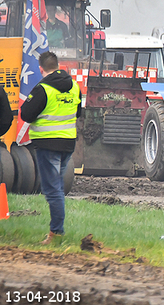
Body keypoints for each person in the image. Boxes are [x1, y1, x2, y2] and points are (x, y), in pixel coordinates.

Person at [20, 51, 82, 245]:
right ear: (58, 65)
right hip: (68, 143)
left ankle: (56, 233)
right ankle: (57, 230)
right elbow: (78, 112)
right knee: (58, 188)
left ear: (41, 69)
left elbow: (26, 115)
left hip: (48, 145)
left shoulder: (42, 89)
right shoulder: (74, 86)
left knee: (52, 189)